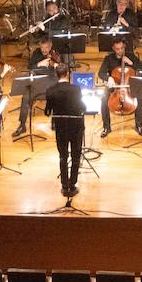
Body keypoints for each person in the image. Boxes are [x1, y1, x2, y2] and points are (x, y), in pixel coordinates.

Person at [43, 63, 86, 197]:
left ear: (56, 75)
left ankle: (64, 185)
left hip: (60, 127)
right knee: (75, 155)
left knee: (63, 156)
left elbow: (47, 111)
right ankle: (72, 184)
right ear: (68, 74)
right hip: (75, 126)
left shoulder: (50, 90)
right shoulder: (76, 89)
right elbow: (82, 107)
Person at [97, 39, 142, 137]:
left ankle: (139, 126)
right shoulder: (108, 58)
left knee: (140, 97)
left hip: (129, 86)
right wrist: (109, 78)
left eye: (121, 48)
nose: (120, 51)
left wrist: (131, 63)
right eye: (117, 49)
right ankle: (106, 127)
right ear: (113, 48)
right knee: (104, 98)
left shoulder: (131, 56)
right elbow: (101, 73)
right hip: (115, 86)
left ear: (124, 47)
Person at [13, 35, 62, 138]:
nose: (44, 50)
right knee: (25, 98)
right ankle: (22, 125)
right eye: (42, 47)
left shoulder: (55, 54)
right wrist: (39, 64)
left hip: (50, 86)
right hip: (37, 84)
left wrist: (56, 66)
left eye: (46, 48)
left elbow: (61, 70)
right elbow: (30, 67)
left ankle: (54, 122)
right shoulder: (36, 53)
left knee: (58, 97)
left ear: (50, 46)